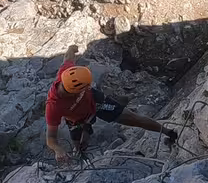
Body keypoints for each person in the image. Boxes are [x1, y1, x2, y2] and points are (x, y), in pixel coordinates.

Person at [43, 57, 176, 163]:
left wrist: (72, 48)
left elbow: (68, 57)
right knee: (78, 145)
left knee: (133, 119)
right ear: (75, 92)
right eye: (85, 87)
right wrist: (58, 149)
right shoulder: (54, 106)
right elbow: (51, 138)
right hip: (77, 118)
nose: (89, 87)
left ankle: (168, 132)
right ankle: (81, 160)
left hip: (96, 101)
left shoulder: (66, 74)